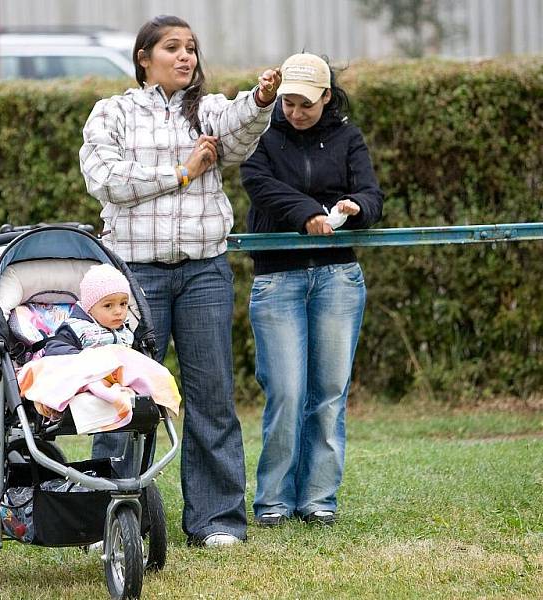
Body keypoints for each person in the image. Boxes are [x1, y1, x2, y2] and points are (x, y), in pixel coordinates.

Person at [79, 14, 279, 547]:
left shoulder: (209, 110)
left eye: (191, 48)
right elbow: (106, 180)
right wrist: (182, 173)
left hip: (204, 274)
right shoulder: (112, 112)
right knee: (121, 398)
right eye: (173, 48)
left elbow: (237, 132)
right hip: (133, 277)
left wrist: (259, 102)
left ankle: (217, 522)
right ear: (145, 57)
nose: (186, 56)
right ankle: (114, 519)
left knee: (211, 397)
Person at [240, 52, 384, 527]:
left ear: (326, 97)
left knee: (328, 393)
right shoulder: (261, 132)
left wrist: (355, 206)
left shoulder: (347, 136)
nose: (295, 113)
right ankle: (273, 502)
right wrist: (308, 213)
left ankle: (319, 499)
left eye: (306, 104)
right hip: (277, 278)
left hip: (337, 277)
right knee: (284, 392)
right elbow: (258, 184)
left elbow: (373, 195)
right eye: (289, 103)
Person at [44, 263, 134, 356]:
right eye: (108, 305)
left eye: (123, 304)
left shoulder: (126, 332)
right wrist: (85, 358)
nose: (119, 311)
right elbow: (54, 349)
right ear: (89, 307)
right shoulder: (77, 329)